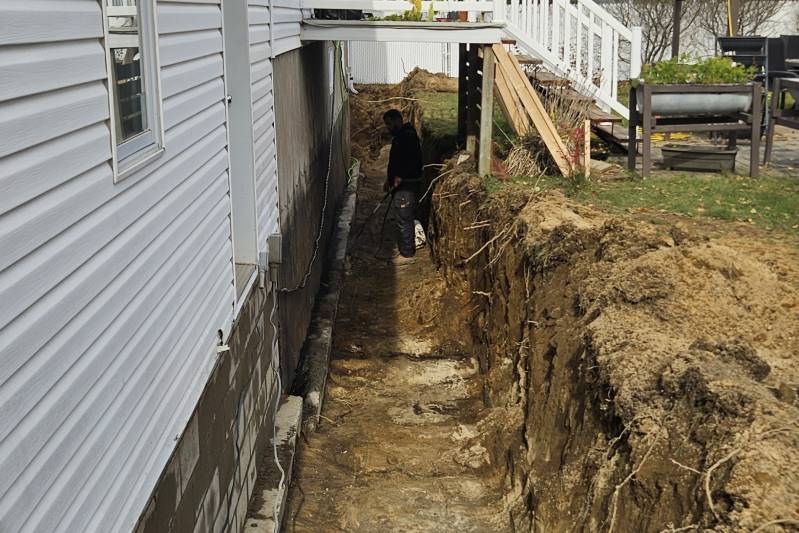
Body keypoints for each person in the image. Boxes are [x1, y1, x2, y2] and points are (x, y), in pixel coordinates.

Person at [381, 109, 423, 265]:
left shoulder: (408, 137)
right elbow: (395, 162)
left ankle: (407, 253)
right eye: (386, 124)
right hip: (401, 184)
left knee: (404, 219)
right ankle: (407, 248)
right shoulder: (400, 137)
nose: (388, 127)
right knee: (403, 217)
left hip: (407, 186)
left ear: (398, 120)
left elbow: (413, 160)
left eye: (389, 124)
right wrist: (389, 179)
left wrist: (400, 177)